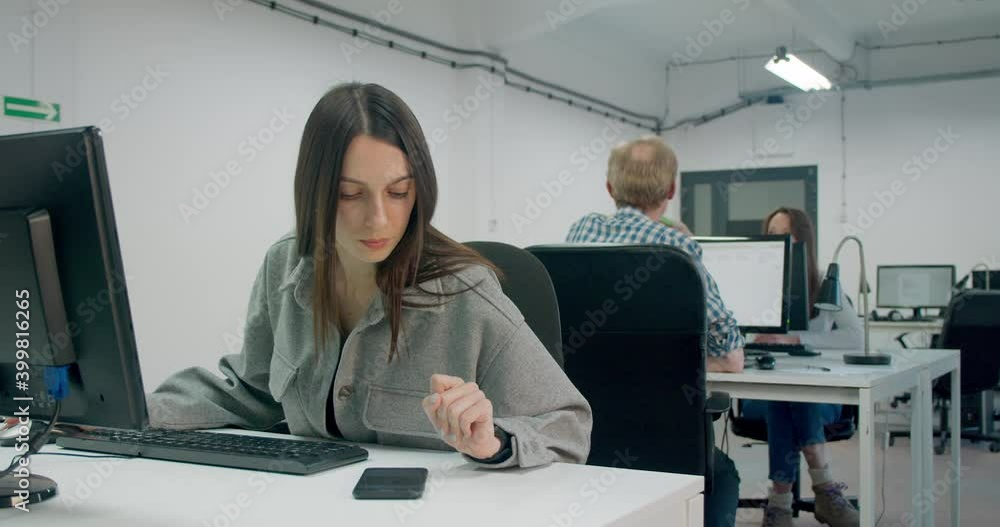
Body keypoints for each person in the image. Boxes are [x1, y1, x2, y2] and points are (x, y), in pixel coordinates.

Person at [147, 83, 592, 469]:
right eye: (349, 194)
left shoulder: (465, 294)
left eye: (398, 192)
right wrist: (131, 408)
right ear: (314, 192)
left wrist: (493, 443)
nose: (378, 219)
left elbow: (568, 425)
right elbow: (250, 390)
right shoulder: (284, 264)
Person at [565, 136, 743, 527]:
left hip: (587, 439)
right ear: (672, 190)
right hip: (664, 443)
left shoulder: (580, 233)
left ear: (609, 187)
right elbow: (732, 357)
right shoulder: (677, 249)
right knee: (724, 475)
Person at [742, 207, 862, 527]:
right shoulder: (756, 283)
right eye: (771, 234)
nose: (776, 240)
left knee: (793, 396)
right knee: (783, 396)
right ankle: (826, 490)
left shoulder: (823, 284)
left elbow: (855, 337)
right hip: (762, 393)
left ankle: (779, 504)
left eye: (784, 233)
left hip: (818, 395)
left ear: (802, 240)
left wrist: (795, 338)